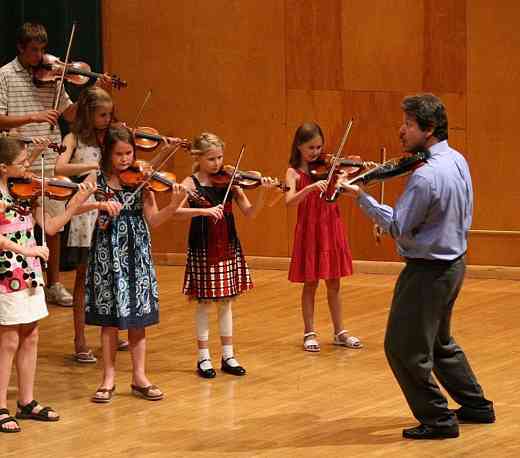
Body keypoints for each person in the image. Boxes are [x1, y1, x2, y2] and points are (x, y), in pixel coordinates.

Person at [338, 94, 495, 439]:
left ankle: (438, 420)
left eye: (408, 125)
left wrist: (361, 197)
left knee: (403, 348)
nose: (401, 131)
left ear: (429, 129)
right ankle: (476, 406)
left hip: (428, 271)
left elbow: (398, 225)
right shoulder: (456, 159)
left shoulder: (425, 177)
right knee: (439, 342)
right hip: (454, 264)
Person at [0, 22, 110, 306]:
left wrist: (90, 87)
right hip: (17, 161)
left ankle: (54, 284)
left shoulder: (53, 78)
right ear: (20, 48)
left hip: (49, 159)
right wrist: (33, 117)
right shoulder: (5, 75)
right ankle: (14, 275)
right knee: (14, 222)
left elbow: (72, 115)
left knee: (54, 226)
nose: (39, 57)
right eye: (33, 50)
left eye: (42, 51)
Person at [0, 135, 94, 433]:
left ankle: (26, 401)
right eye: (22, 163)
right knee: (9, 340)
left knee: (31, 334)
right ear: (3, 168)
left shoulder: (28, 194)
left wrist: (76, 201)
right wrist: (27, 250)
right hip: (6, 271)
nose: (28, 167)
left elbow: (52, 227)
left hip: (29, 271)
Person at [85, 126, 186, 403]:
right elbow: (86, 211)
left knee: (138, 317)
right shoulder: (99, 178)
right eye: (119, 154)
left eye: (129, 153)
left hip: (137, 252)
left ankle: (139, 376)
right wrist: (101, 207)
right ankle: (108, 377)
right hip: (109, 253)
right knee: (109, 319)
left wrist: (174, 204)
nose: (125, 159)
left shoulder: (143, 181)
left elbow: (154, 220)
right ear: (108, 153)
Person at [175, 132, 275, 378]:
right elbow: (176, 212)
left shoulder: (230, 181)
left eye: (220, 157)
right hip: (203, 245)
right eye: (211, 159)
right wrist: (204, 212)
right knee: (204, 301)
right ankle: (203, 357)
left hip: (227, 244)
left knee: (226, 301)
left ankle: (228, 355)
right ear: (198, 158)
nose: (217, 163)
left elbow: (251, 213)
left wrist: (263, 191)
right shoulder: (190, 182)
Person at [285, 122, 361, 352]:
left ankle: (340, 331)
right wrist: (309, 188)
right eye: (311, 148)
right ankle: (309, 332)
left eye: (319, 147)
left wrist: (348, 177)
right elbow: (289, 201)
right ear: (299, 147)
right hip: (310, 230)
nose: (317, 152)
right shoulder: (293, 172)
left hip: (330, 226)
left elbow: (343, 194)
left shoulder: (329, 169)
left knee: (334, 283)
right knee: (310, 284)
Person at [54, 86, 113, 363]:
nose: (107, 120)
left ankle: (112, 331)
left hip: (108, 213)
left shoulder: (110, 139)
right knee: (83, 279)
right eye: (102, 115)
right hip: (84, 215)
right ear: (88, 114)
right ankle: (80, 339)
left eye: (109, 115)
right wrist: (87, 170)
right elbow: (59, 167)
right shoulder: (73, 137)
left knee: (109, 277)